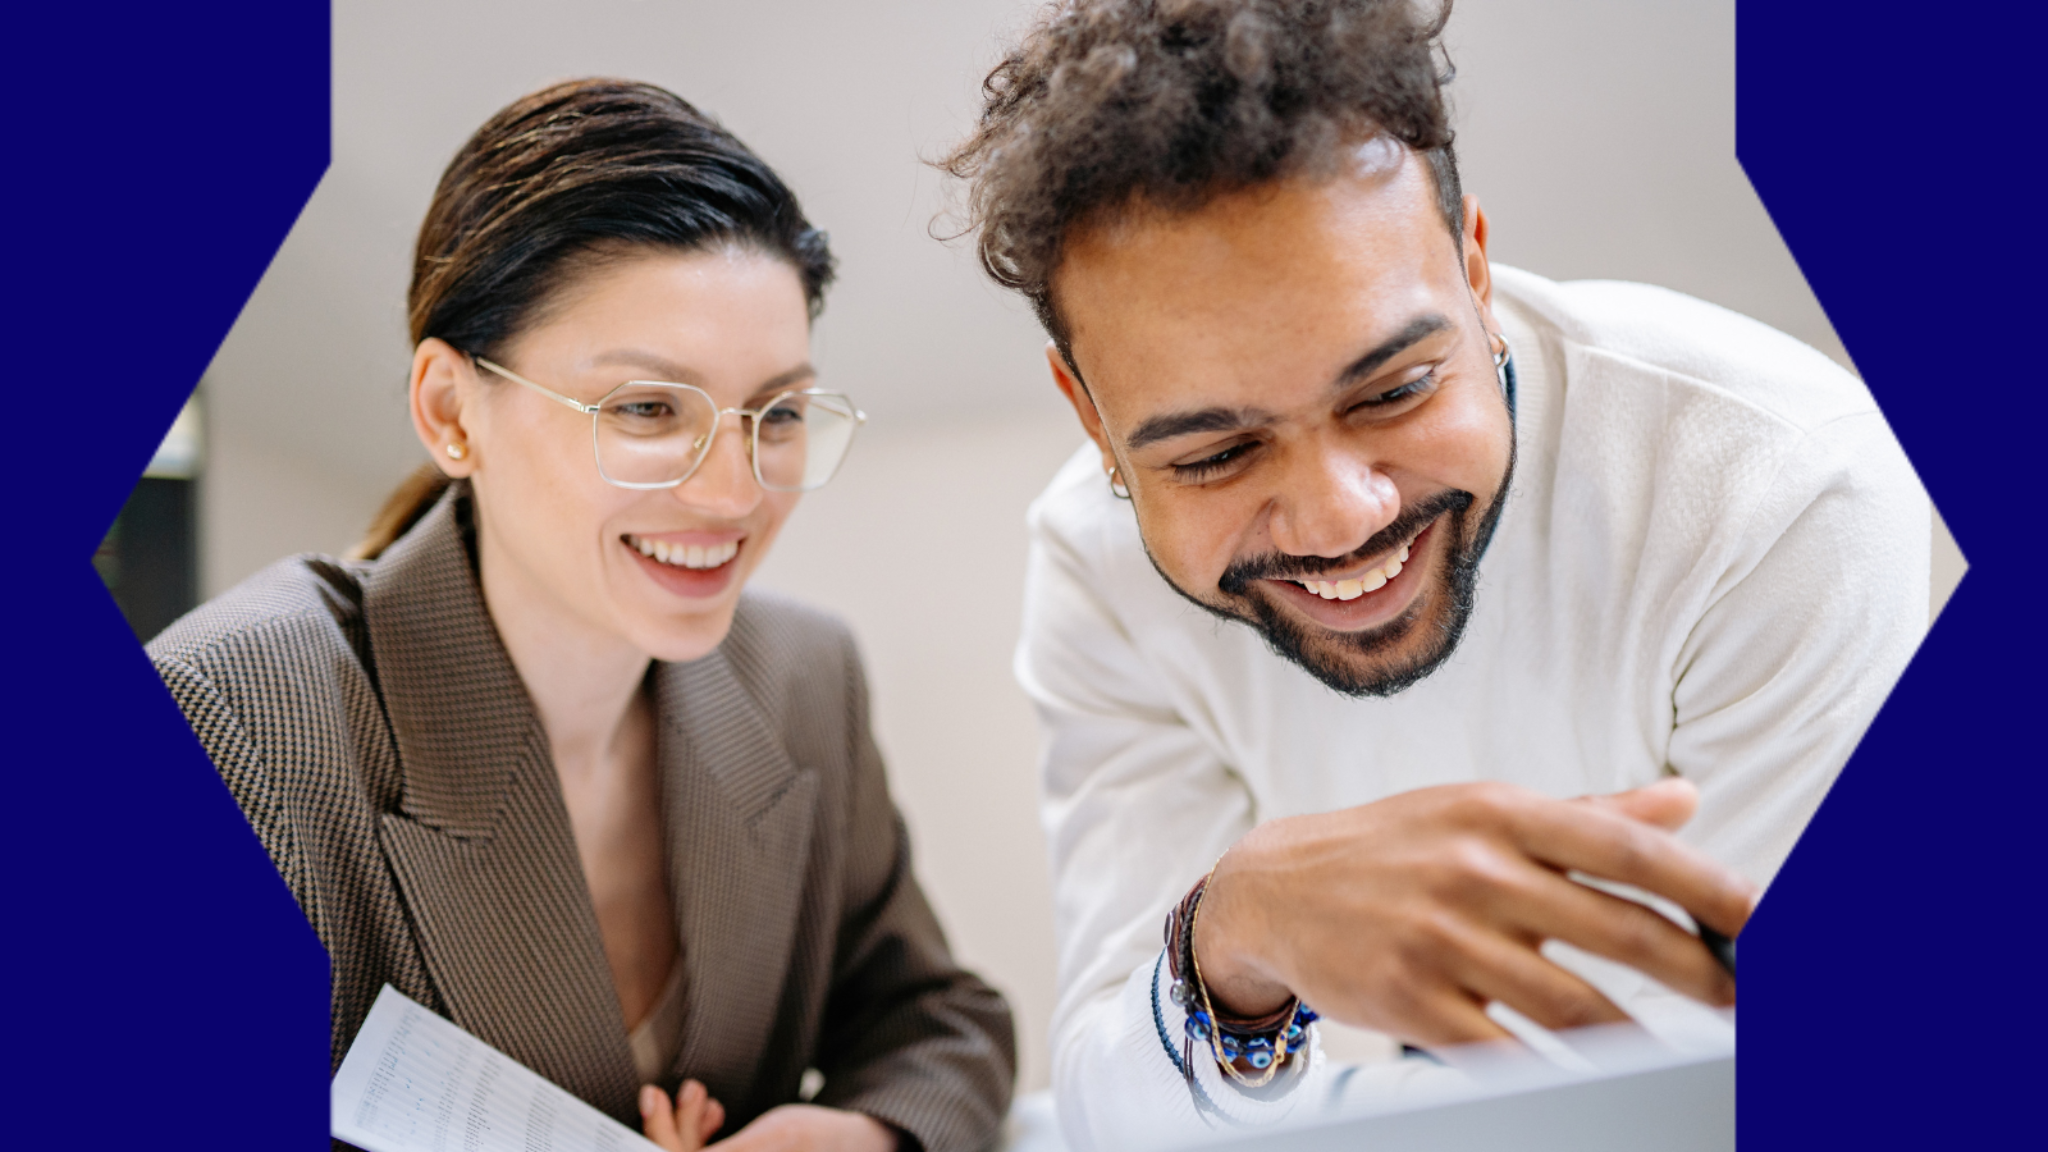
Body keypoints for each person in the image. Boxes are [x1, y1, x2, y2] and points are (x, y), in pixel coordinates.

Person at [941, 1, 1928, 1147]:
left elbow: (1731, 1084)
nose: (1339, 517)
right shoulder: (1090, 559)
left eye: (1395, 391)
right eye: (1215, 454)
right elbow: (1119, 1107)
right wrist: (1229, 930)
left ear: (1473, 270)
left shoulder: (1779, 485)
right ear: (1093, 423)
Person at [149, 78, 1013, 1152]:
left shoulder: (802, 675)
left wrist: (863, 1136)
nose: (734, 493)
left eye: (777, 413)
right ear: (451, 412)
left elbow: (940, 1022)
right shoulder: (229, 719)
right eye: (649, 409)